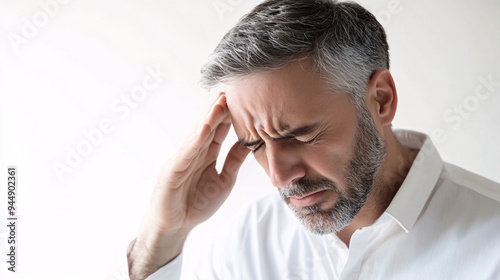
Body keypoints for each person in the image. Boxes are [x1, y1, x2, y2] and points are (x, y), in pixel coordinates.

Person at [127, 0, 500, 279]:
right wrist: (164, 235)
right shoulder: (249, 240)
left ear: (381, 100)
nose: (277, 175)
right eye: (253, 145)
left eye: (299, 135)